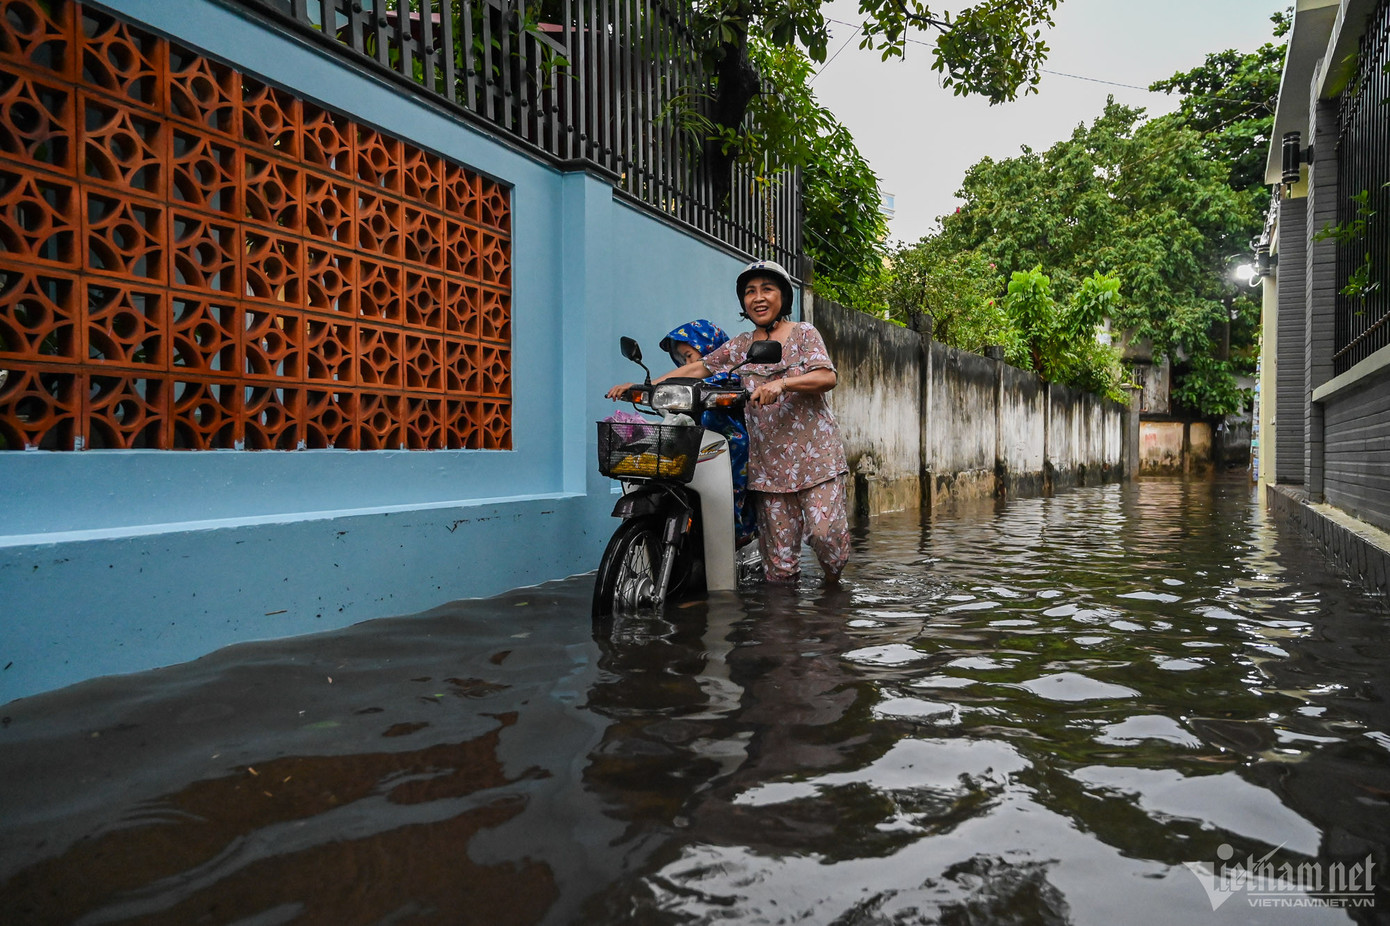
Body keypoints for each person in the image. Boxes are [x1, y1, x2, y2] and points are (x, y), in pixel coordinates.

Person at [609, 260, 850, 586]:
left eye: (767, 289)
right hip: (768, 468)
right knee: (779, 569)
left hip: (816, 460)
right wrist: (648, 387)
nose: (758, 297)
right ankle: (784, 616)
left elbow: (826, 376)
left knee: (826, 537)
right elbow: (700, 368)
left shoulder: (804, 333)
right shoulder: (740, 345)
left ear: (783, 296)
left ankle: (833, 588)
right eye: (750, 292)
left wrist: (783, 384)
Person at [658, 320, 757, 548]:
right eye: (682, 359)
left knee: (730, 491)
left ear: (708, 348)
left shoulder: (728, 375)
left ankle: (736, 531)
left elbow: (701, 373)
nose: (687, 364)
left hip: (730, 447)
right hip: (699, 445)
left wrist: (656, 384)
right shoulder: (690, 385)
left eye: (689, 356)